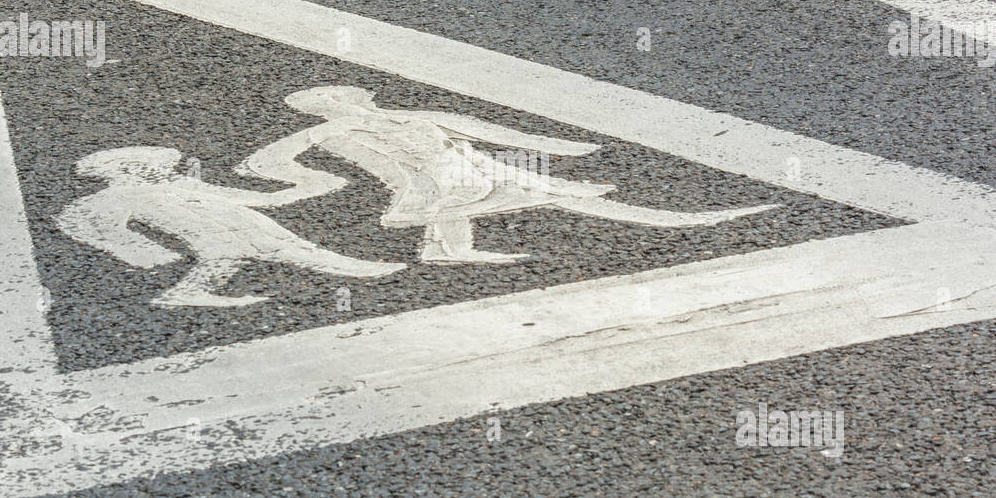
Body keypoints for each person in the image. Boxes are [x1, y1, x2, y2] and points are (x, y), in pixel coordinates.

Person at [237, 86, 776, 264]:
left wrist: (563, 148)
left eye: (344, 94)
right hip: (436, 182)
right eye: (331, 99)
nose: (346, 100)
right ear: (325, 108)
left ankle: (680, 221)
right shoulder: (325, 135)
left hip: (475, 167)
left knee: (559, 195)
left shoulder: (413, 117)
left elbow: (489, 129)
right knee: (481, 202)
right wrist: (306, 184)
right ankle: (446, 249)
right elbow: (269, 161)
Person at [56, 146, 403, 307]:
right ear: (125, 171)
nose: (163, 168)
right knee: (226, 248)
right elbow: (97, 225)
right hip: (205, 233)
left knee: (272, 237)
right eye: (150, 165)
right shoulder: (112, 198)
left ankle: (337, 262)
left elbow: (255, 200)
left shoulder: (186, 185)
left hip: (243, 224)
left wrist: (304, 189)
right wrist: (143, 252)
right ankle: (185, 292)